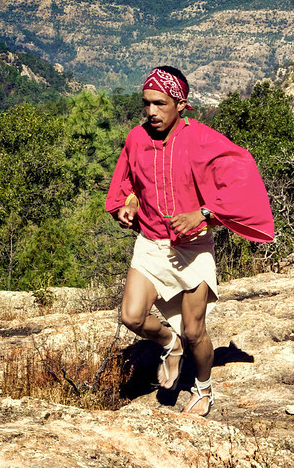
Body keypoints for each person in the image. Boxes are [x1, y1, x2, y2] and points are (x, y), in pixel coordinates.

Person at [106, 66, 274, 416]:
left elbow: (241, 178)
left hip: (192, 248)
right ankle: (170, 342)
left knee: (196, 331)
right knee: (131, 316)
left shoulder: (202, 139)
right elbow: (129, 180)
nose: (151, 112)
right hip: (152, 243)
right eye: (146, 104)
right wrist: (129, 203)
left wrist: (203, 214)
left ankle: (203, 387)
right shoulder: (137, 138)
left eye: (160, 104)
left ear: (181, 104)